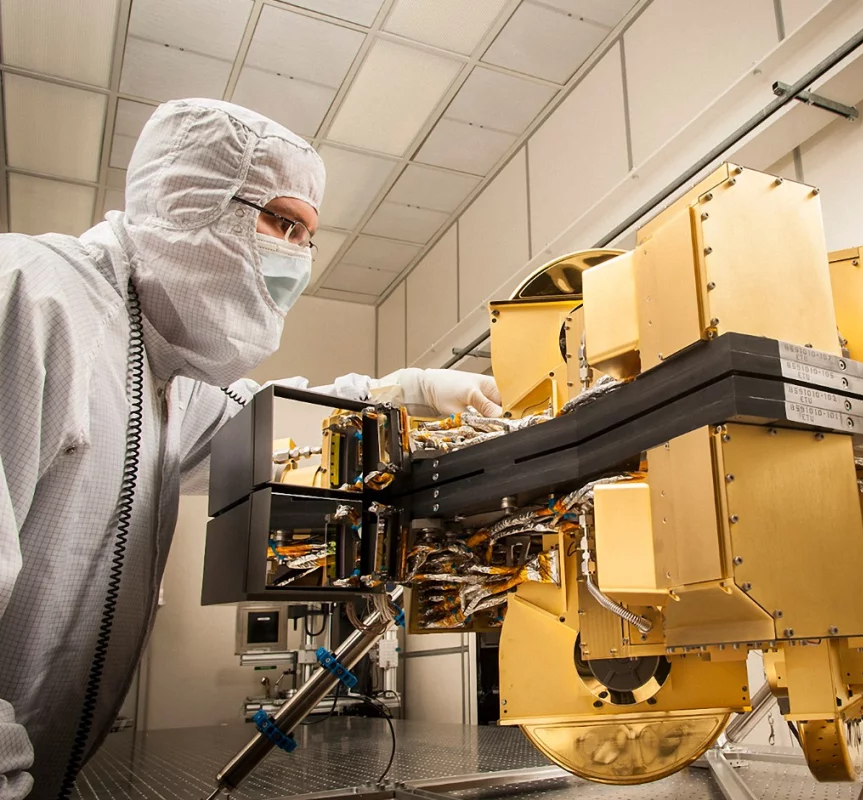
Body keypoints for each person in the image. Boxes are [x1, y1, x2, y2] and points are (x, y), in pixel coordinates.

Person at [0, 99, 501, 799]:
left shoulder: (167, 380)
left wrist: (412, 390)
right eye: (283, 223)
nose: (296, 258)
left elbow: (279, 423)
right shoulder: (32, 296)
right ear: (188, 199)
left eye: (308, 239)